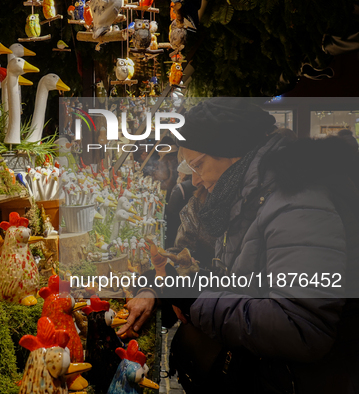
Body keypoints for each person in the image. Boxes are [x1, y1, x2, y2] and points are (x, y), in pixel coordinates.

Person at [119, 98, 359, 394]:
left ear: (230, 153)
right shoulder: (250, 197)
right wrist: (158, 286)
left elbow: (301, 327)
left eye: (198, 165)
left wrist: (196, 301)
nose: (195, 180)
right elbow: (240, 281)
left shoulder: (299, 202)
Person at [164, 161, 196, 248]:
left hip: (178, 227)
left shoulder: (180, 188)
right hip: (193, 230)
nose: (179, 174)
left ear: (185, 173)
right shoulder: (199, 185)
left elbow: (170, 211)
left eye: (180, 173)